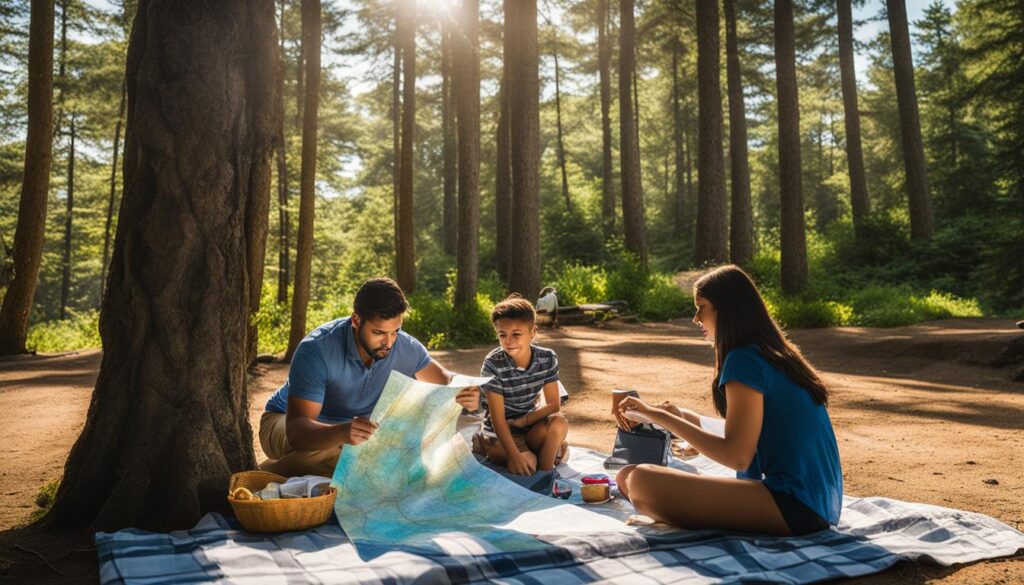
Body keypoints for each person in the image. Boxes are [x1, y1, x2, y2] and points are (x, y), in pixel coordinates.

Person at [614, 265, 842, 536]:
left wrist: (658, 416)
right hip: (821, 502)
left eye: (702, 307)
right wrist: (680, 416)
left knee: (642, 481)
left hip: (795, 503)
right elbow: (751, 429)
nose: (695, 318)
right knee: (625, 475)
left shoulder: (743, 359)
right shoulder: (773, 353)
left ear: (727, 309)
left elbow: (737, 456)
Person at [258, 277, 480, 477]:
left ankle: (302, 472)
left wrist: (466, 393)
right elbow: (298, 431)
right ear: (356, 320)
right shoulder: (317, 350)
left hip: (356, 436)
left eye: (395, 331)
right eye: (379, 333)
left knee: (409, 447)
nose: (389, 342)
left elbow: (447, 381)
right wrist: (342, 432)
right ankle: (266, 474)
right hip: (286, 422)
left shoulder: (405, 347)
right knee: (356, 460)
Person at [472, 295, 569, 476]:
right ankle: (483, 444)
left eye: (516, 334)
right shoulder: (493, 364)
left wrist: (524, 421)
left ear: (533, 331)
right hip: (500, 431)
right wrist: (514, 456)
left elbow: (554, 405)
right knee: (529, 463)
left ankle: (547, 476)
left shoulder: (547, 358)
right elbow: (498, 420)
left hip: (528, 426)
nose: (508, 341)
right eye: (502, 334)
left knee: (559, 424)